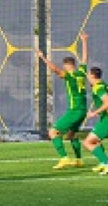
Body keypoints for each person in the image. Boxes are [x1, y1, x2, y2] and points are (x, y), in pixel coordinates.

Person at [35, 33, 88, 169]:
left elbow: (54, 69)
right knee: (71, 134)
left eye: (64, 66)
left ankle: (64, 158)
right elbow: (85, 59)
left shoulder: (69, 75)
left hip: (74, 110)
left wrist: (42, 58)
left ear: (66, 65)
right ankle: (79, 160)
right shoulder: (81, 72)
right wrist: (84, 41)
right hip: (83, 110)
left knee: (53, 132)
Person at [82, 67, 108, 175]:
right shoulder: (106, 85)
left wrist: (95, 112)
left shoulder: (98, 88)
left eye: (88, 75)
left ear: (92, 76)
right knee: (95, 141)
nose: (87, 77)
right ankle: (103, 162)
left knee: (87, 143)